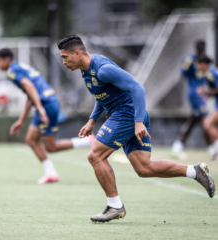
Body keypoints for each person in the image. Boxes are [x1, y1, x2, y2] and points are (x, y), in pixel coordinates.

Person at [57, 35, 215, 223]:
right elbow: (102, 95)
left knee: (95, 156)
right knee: (144, 168)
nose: (64, 61)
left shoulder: (102, 69)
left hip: (127, 115)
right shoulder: (86, 69)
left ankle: (115, 206)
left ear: (77, 53)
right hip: (128, 116)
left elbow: (137, 88)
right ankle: (194, 171)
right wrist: (92, 120)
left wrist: (138, 121)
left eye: (65, 57)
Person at [0, 48, 94, 184]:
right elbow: (31, 93)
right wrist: (21, 120)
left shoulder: (12, 72)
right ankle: (51, 173)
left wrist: (40, 109)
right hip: (46, 103)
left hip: (46, 105)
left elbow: (29, 86)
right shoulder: (19, 67)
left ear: (7, 60)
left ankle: (87, 142)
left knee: (50, 147)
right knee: (31, 140)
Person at [171, 40, 212, 159]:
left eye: (203, 49)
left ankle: (177, 146)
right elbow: (181, 77)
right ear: (196, 49)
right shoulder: (189, 60)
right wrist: (179, 96)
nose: (201, 51)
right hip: (194, 94)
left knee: (195, 120)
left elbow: (208, 79)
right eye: (200, 49)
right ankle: (213, 148)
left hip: (202, 94)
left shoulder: (204, 62)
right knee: (205, 118)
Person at [197, 56, 218, 161]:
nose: (197, 66)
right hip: (216, 104)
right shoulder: (208, 74)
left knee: (208, 124)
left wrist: (206, 92)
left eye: (199, 64)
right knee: (207, 124)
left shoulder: (211, 74)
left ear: (205, 64)